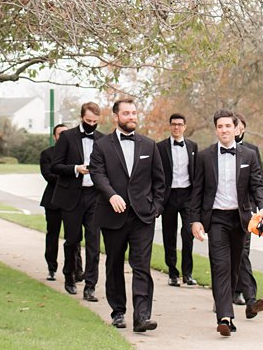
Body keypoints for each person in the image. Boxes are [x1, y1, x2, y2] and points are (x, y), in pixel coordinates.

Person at [187, 109, 263, 337]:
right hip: (216, 220)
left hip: (241, 219)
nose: (224, 130)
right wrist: (194, 221)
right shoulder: (204, 157)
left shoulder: (249, 156)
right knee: (220, 266)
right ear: (216, 130)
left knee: (234, 266)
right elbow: (197, 192)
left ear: (236, 129)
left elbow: (258, 187)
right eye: (220, 126)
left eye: (227, 126)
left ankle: (228, 307)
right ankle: (225, 317)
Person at [90, 97, 167, 331]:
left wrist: (156, 208)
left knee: (142, 265)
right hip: (113, 215)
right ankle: (118, 312)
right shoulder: (102, 145)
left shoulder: (149, 145)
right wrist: (111, 195)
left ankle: (142, 317)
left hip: (143, 217)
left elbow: (160, 181)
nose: (132, 117)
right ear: (116, 117)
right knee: (114, 264)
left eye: (134, 113)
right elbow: (97, 173)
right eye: (126, 114)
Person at [47, 102, 104, 301]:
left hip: (94, 197)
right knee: (72, 240)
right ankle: (69, 276)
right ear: (81, 118)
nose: (92, 124)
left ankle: (90, 286)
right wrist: (75, 169)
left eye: (95, 122)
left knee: (94, 243)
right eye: (88, 121)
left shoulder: (102, 139)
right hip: (71, 195)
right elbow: (55, 165)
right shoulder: (67, 137)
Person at [158, 112, 198, 286]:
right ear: (170, 126)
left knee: (188, 235)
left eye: (180, 124)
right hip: (169, 196)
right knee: (169, 236)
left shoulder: (193, 146)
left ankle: (187, 273)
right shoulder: (160, 147)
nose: (176, 127)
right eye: (174, 124)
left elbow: (196, 172)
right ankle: (172, 273)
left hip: (187, 196)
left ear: (185, 127)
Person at [234, 114, 263, 310]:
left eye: (237, 126)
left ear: (242, 129)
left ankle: (246, 297)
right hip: (223, 213)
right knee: (232, 255)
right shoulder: (214, 153)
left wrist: (261, 210)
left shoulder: (252, 151)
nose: (234, 130)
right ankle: (237, 294)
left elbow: (258, 183)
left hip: (247, 212)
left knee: (243, 252)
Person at [38, 124, 72, 281]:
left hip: (72, 200)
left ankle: (74, 270)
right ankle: (51, 268)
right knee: (52, 235)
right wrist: (70, 174)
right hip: (52, 201)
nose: (63, 136)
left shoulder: (74, 153)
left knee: (73, 237)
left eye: (66, 133)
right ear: (54, 136)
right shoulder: (47, 154)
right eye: (60, 133)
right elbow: (48, 175)